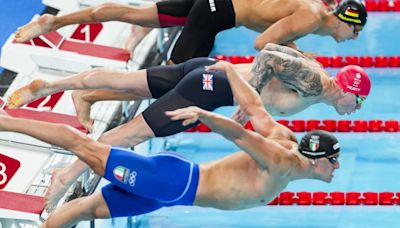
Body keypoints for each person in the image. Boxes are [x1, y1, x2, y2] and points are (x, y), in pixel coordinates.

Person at [6, 44, 366, 211]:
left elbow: (277, 52)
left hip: (207, 71)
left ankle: (52, 87)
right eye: (358, 103)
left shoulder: (315, 79)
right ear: (348, 91)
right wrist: (246, 102)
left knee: (125, 81)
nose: (355, 112)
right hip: (208, 89)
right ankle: (66, 176)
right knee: (130, 134)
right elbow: (269, 54)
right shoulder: (317, 83)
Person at [14, 0, 367, 64]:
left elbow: (273, 32)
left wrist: (296, 49)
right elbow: (262, 43)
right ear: (347, 21)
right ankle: (90, 96)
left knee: (135, 15)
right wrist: (300, 55)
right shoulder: (311, 17)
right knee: (176, 74)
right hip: (217, 11)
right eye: (356, 33)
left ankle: (52, 23)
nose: (353, 40)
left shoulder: (313, 13)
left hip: (214, 3)